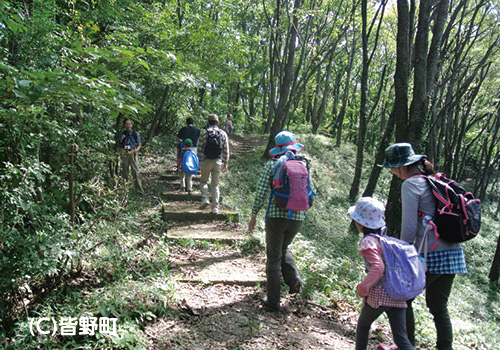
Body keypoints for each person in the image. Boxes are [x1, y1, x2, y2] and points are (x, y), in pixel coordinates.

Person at [380, 142, 467, 350]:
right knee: (439, 306)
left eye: (392, 166)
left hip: (431, 255)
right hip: (453, 253)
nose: (391, 171)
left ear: (403, 165)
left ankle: (406, 345)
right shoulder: (433, 181)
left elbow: (409, 227)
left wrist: (401, 253)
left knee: (403, 299)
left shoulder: (410, 184)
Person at [247, 131, 310, 312]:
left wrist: (253, 215)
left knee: (274, 256)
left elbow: (260, 192)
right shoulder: (302, 164)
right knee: (283, 247)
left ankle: (273, 301)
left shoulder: (272, 164)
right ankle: (293, 278)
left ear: (277, 148)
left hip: (276, 216)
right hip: (298, 216)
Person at [349, 197, 414, 350]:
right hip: (398, 294)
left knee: (363, 325)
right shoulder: (384, 240)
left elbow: (378, 267)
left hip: (380, 295)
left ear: (361, 223)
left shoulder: (368, 241)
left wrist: (363, 287)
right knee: (401, 339)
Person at [197, 114, 230, 214]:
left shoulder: (203, 132)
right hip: (217, 162)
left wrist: (200, 160)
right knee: (215, 185)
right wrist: (225, 164)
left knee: (203, 182)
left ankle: (205, 199)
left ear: (208, 122)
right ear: (218, 122)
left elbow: (199, 148)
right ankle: (215, 207)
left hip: (206, 161)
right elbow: (226, 150)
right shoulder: (223, 133)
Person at [116, 118, 144, 194]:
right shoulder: (122, 133)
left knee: (135, 172)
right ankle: (125, 190)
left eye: (129, 124)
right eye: (127, 124)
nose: (128, 126)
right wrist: (121, 139)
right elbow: (118, 144)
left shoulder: (135, 133)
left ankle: (140, 191)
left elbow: (139, 145)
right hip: (124, 152)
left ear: (132, 125)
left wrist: (136, 150)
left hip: (132, 152)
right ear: (124, 125)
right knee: (125, 171)